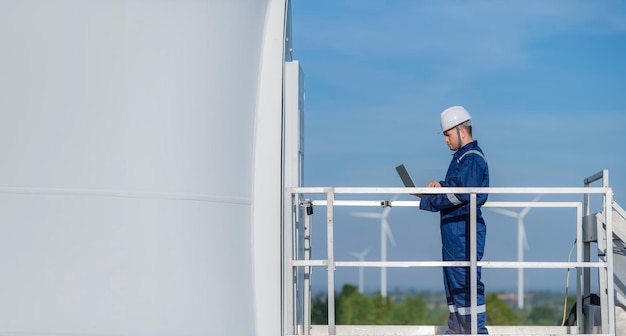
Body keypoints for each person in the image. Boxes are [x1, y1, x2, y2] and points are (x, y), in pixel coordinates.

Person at [415, 106, 489, 334]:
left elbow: (460, 193)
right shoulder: (461, 159)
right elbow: (454, 188)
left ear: (461, 131)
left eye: (447, 135)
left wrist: (431, 198)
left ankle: (475, 333)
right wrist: (438, 188)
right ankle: (456, 332)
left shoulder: (472, 159)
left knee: (465, 285)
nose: (445, 140)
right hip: (454, 234)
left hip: (463, 234)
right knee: (454, 287)